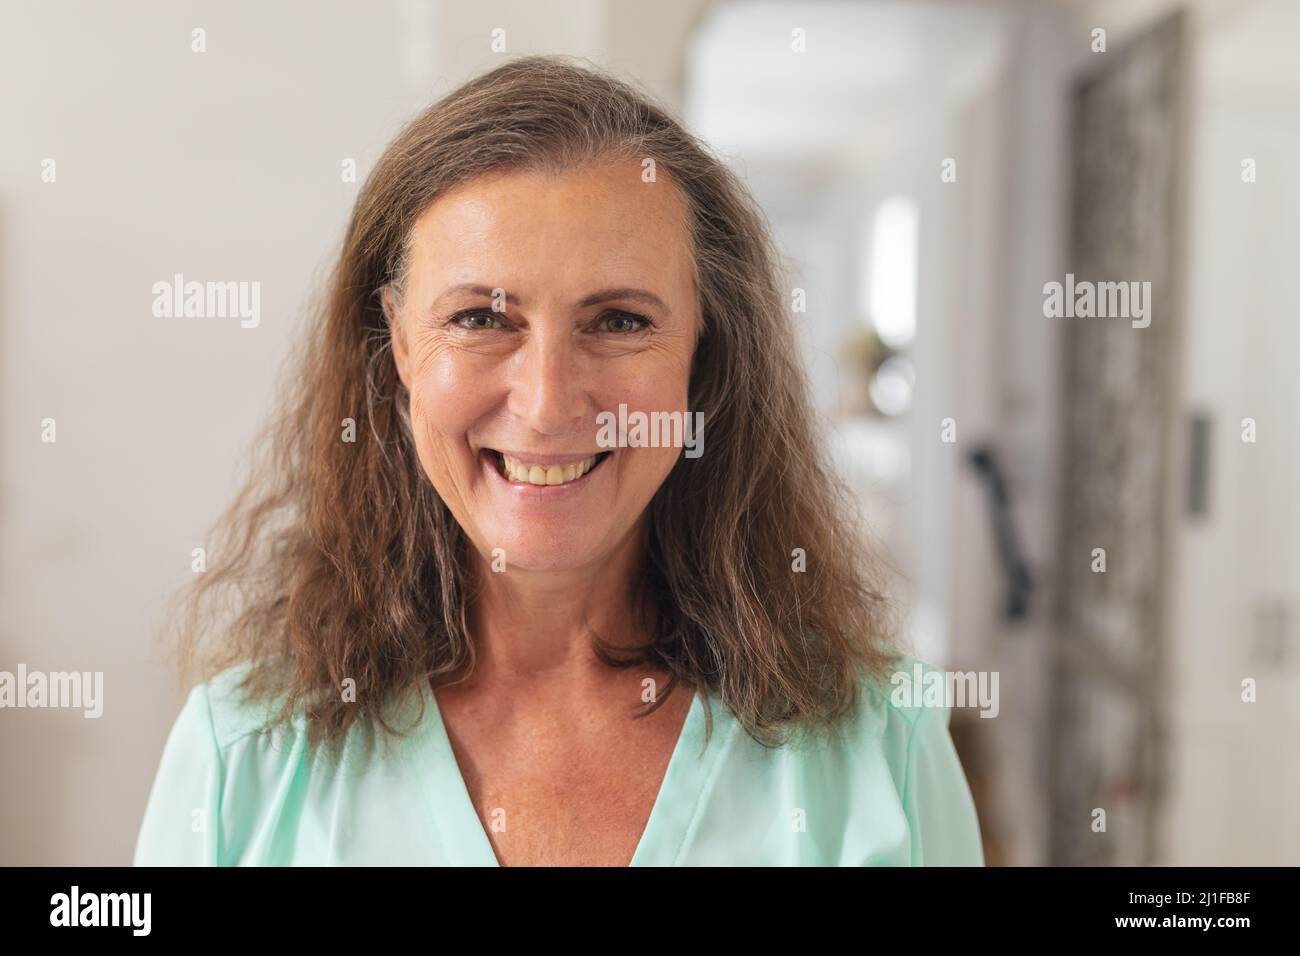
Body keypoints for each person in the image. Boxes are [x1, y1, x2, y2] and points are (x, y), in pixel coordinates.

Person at [134, 55, 984, 867]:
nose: (546, 404)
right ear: (396, 341)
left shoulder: (882, 749)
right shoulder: (243, 758)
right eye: (478, 318)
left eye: (618, 321)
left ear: (705, 350)